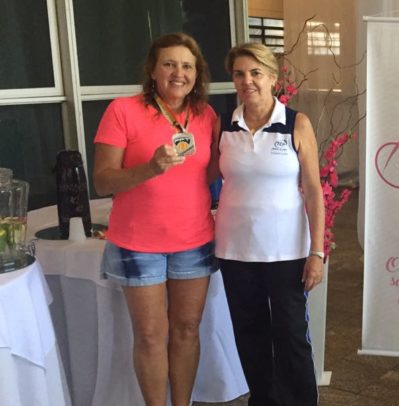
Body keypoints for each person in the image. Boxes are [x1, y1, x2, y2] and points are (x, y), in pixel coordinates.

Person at [92, 32, 219, 406]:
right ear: (152, 70)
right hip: (138, 243)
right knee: (149, 336)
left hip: (194, 239)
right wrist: (150, 169)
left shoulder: (206, 115)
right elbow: (102, 181)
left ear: (197, 74)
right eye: (169, 64)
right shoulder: (122, 110)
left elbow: (210, 172)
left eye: (187, 66)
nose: (179, 73)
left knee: (187, 330)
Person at [213, 42, 324, 406]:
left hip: (286, 252)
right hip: (235, 251)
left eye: (256, 73)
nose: (247, 81)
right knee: (250, 334)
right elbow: (206, 180)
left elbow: (313, 191)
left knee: (291, 334)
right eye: (239, 74)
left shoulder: (296, 123)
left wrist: (317, 252)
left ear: (273, 78)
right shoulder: (224, 126)